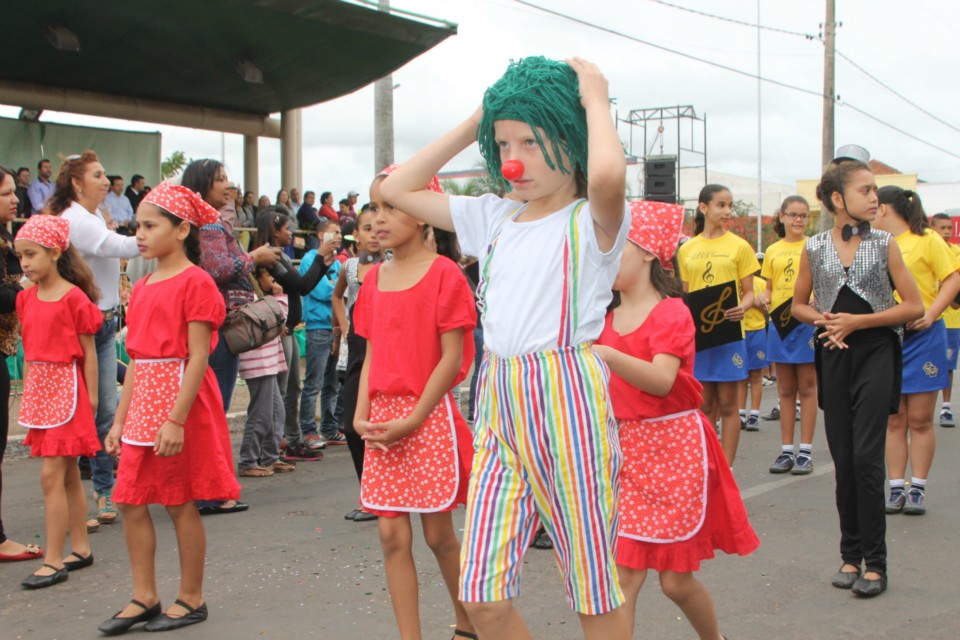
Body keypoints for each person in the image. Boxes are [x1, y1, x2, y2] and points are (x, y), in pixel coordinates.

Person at [380, 56, 631, 639]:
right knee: (480, 594)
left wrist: (595, 99)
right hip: (498, 400)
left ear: (571, 138)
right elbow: (394, 188)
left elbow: (607, 180)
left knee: (593, 585)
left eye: (532, 141)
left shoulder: (592, 220)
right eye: (503, 143)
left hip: (568, 395)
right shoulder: (493, 217)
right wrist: (478, 119)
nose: (513, 159)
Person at [594, 200, 759, 640]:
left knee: (675, 582)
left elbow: (663, 381)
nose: (602, 256)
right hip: (627, 452)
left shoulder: (672, 311)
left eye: (614, 245)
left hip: (675, 451)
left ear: (648, 251)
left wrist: (607, 354)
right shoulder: (603, 319)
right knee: (624, 575)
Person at [101, 183, 241, 633]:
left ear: (182, 229)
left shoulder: (196, 281)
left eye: (149, 225)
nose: (138, 234)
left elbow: (198, 356)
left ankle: (191, 596)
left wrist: (176, 419)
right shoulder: (140, 287)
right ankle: (145, 595)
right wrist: (120, 420)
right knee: (128, 499)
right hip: (143, 403)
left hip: (181, 403)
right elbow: (139, 360)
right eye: (137, 225)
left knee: (180, 502)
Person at [352, 167, 477, 640]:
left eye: (392, 206)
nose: (378, 218)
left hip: (427, 417)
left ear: (426, 214)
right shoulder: (373, 279)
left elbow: (451, 359)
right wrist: (361, 414)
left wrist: (415, 416)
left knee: (438, 535)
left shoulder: (445, 274)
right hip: (383, 420)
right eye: (375, 207)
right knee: (390, 535)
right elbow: (369, 356)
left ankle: (468, 623)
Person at [792, 156, 923, 598]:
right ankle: (850, 555)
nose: (874, 198)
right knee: (844, 462)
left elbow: (913, 307)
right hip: (833, 355)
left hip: (876, 354)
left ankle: (877, 565)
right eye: (865, 190)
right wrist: (824, 320)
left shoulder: (885, 242)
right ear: (837, 198)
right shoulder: (813, 246)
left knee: (868, 461)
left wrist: (857, 323)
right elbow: (798, 305)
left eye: (875, 190)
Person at [183, 158, 279, 515]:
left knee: (209, 408)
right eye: (220, 179)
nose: (228, 184)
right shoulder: (208, 222)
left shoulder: (204, 220)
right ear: (203, 184)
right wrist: (254, 256)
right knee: (213, 408)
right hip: (220, 324)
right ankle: (208, 493)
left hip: (216, 322)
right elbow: (219, 268)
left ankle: (205, 488)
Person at [51, 151, 140, 531]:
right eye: (98, 175)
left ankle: (104, 489)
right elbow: (115, 247)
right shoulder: (75, 219)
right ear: (76, 182)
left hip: (102, 325)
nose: (106, 181)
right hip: (85, 327)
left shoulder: (89, 216)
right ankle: (89, 494)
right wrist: (162, 234)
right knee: (86, 411)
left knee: (103, 410)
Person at [14, 214, 102, 589]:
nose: (25, 263)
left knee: (51, 475)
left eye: (31, 254)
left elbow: (90, 352)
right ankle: (80, 547)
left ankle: (53, 559)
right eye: (21, 256)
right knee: (65, 475)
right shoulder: (25, 298)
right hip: (40, 389)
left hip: (68, 389)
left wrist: (94, 398)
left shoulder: (74, 298)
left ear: (54, 252)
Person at [873, 186, 960, 516]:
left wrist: (931, 313)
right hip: (887, 338)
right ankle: (896, 488)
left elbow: (952, 279)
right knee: (894, 419)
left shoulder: (927, 239)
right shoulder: (874, 242)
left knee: (921, 419)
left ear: (884, 208)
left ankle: (917, 488)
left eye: (874, 202)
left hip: (924, 337)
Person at [677, 185, 760, 465]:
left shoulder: (739, 246)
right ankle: (707, 466)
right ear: (703, 207)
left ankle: (727, 468)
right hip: (700, 337)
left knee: (728, 404)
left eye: (729, 206)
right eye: (720, 205)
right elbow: (684, 295)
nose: (727, 211)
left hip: (728, 335)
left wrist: (744, 306)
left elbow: (749, 291)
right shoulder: (687, 249)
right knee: (705, 404)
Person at [252, 209, 336, 460]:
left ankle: (289, 439)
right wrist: (320, 259)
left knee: (291, 389)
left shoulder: (281, 257)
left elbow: (302, 285)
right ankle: (274, 445)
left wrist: (322, 264)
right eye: (287, 228)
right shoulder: (269, 257)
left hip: (287, 329)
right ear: (275, 230)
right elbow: (301, 286)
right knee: (280, 391)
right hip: (277, 332)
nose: (291, 232)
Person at [0, 166, 44, 563]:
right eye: (6, 193)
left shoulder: (5, 238)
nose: (16, 200)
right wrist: (30, 283)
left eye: (15, 192)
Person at [332, 201, 384, 522]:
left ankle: (380, 498)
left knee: (380, 425)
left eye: (379, 227)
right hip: (356, 351)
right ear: (356, 236)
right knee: (352, 424)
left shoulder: (392, 265)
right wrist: (345, 324)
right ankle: (369, 491)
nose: (374, 234)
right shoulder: (350, 268)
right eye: (367, 228)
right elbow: (337, 296)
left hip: (384, 350)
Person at [762, 196, 819, 475]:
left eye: (804, 215)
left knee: (807, 387)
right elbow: (770, 288)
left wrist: (818, 299)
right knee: (785, 388)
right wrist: (764, 297)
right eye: (793, 215)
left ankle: (805, 452)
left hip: (807, 321)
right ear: (782, 216)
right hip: (779, 323)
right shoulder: (772, 250)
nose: (798, 220)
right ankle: (786, 451)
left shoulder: (815, 246)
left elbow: (823, 282)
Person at [237, 268, 295, 477]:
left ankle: (270, 456)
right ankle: (248, 460)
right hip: (258, 363)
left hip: (268, 362)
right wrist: (279, 297)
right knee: (261, 414)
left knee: (276, 412)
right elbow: (279, 318)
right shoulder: (251, 299)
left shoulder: (261, 298)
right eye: (268, 276)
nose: (272, 279)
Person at [298, 219, 343, 448]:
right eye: (333, 232)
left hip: (334, 328)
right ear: (321, 234)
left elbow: (339, 290)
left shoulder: (336, 263)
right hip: (317, 327)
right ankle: (307, 430)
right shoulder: (309, 259)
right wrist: (336, 286)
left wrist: (336, 286)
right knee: (313, 382)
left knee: (332, 383)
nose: (338, 236)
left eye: (339, 232)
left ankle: (329, 427)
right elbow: (325, 291)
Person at [930, 212, 960, 427]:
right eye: (943, 228)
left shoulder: (956, 253)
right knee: (930, 366)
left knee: (948, 365)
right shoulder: (928, 250)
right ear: (933, 229)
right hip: (929, 320)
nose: (947, 232)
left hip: (952, 321)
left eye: (950, 228)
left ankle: (946, 407)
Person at [737, 258, 767, 432]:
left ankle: (754, 414)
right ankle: (740, 413)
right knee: (741, 376)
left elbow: (767, 310)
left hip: (756, 331)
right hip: (739, 333)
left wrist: (752, 301)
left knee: (756, 375)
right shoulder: (734, 282)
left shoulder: (761, 284)